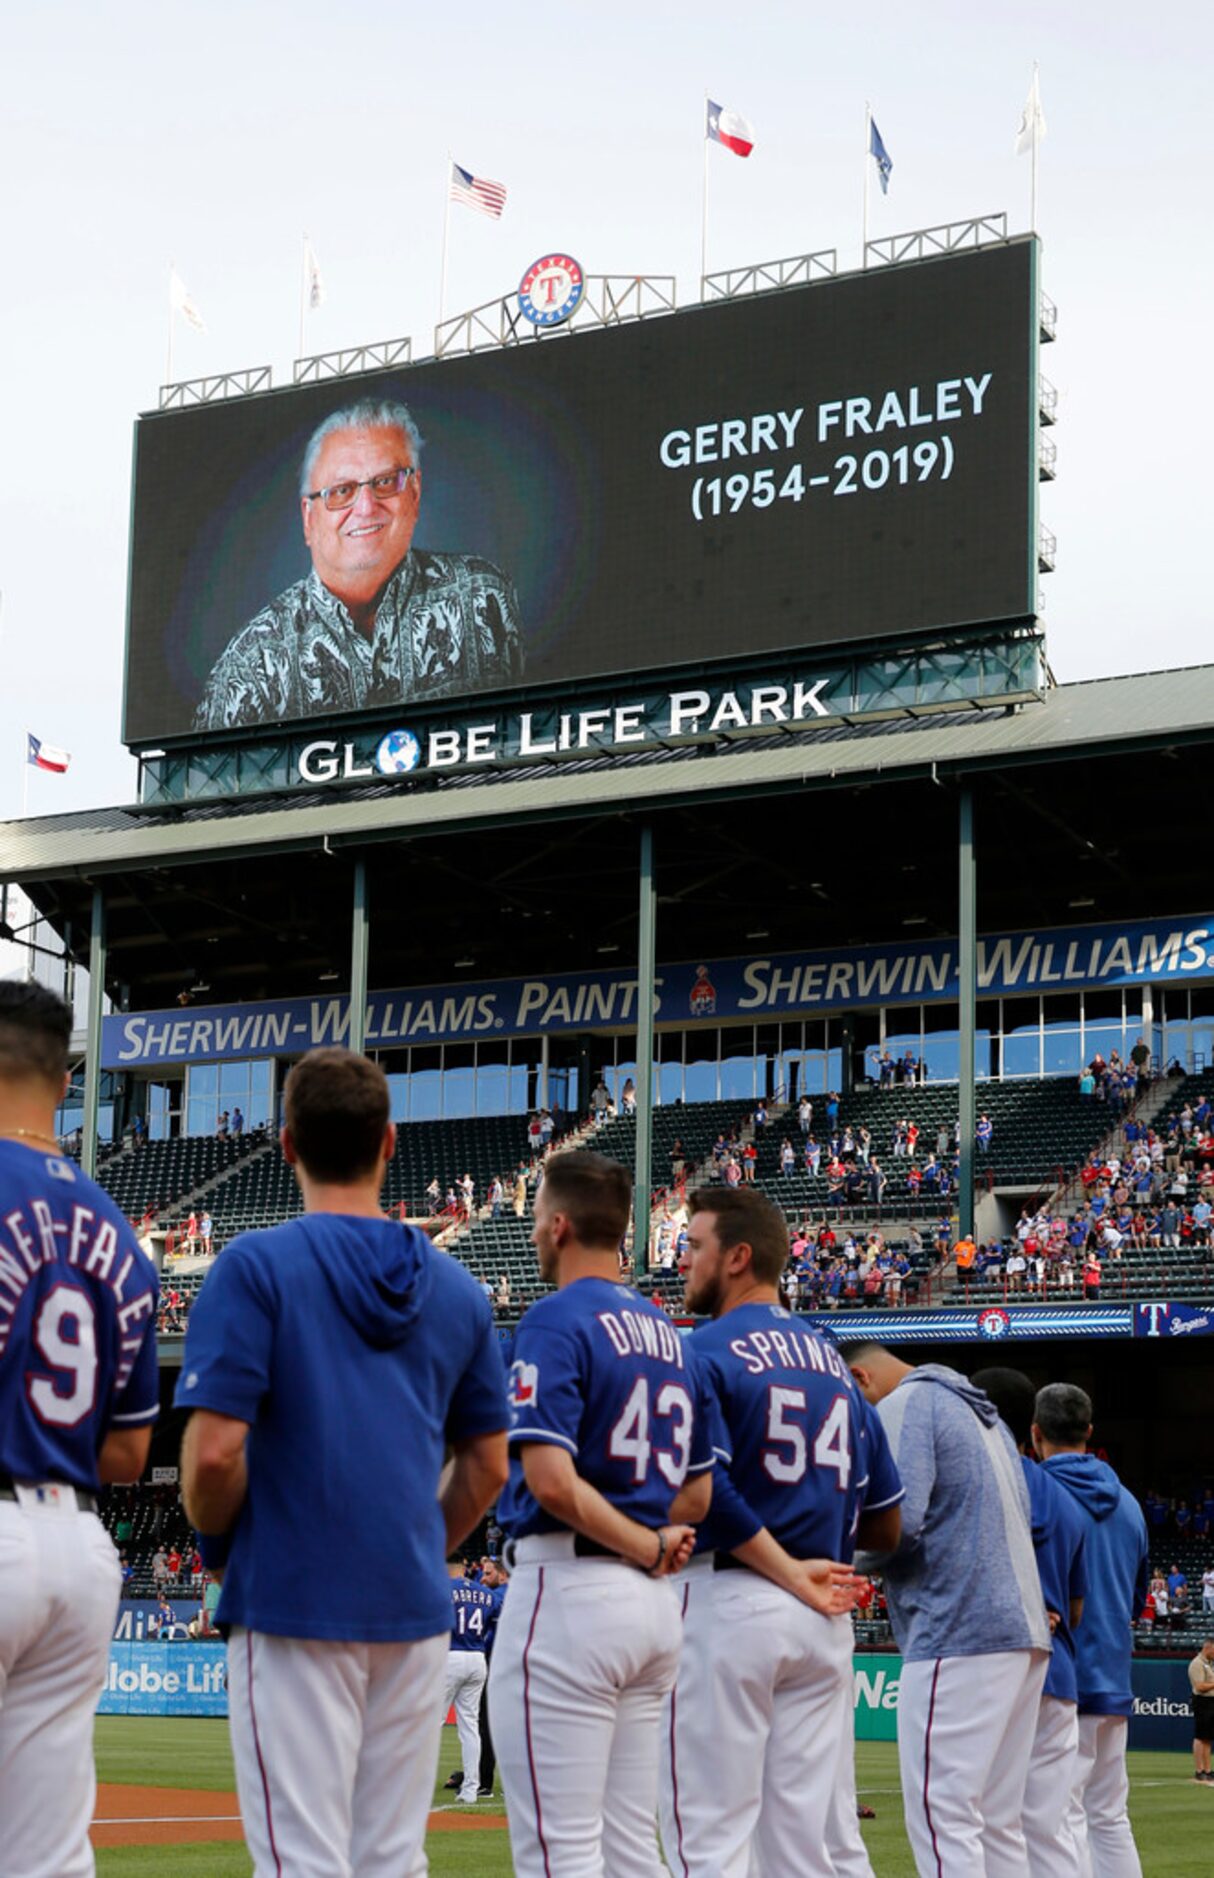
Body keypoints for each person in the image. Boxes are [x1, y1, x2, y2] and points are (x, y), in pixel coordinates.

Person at [177, 1046, 509, 1876]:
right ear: (389, 1142)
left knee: (301, 1862)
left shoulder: (253, 1267)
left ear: (286, 1145)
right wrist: (410, 1546)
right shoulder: (461, 1291)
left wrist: (218, 1541)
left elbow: (214, 1458)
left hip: (291, 1600)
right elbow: (489, 1468)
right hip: (411, 1610)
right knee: (391, 1860)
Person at [661, 1187, 901, 1878]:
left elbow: (704, 1493)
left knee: (706, 1840)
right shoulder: (836, 1365)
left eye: (695, 1247)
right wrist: (813, 1556)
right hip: (822, 1620)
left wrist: (784, 1565)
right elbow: (887, 1520)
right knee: (800, 1852)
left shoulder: (703, 1347)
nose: (685, 1262)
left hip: (731, 1600)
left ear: (737, 1257)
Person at [487, 1149, 712, 1878]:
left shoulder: (554, 1319)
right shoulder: (670, 1336)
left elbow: (549, 1480)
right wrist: (646, 1540)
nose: (529, 1236)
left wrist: (641, 1543)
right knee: (629, 1852)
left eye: (534, 1221)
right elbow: (697, 1496)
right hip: (650, 1610)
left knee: (561, 1855)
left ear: (558, 1227)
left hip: (571, 1590)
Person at [0, 980, 160, 1877]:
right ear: (65, 1080)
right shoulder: (121, 1233)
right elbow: (133, 1450)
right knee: (48, 1853)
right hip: (79, 1547)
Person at [843, 1341, 1051, 1877]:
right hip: (1019, 1632)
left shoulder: (905, 1404)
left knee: (945, 1820)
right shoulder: (988, 1419)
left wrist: (831, 1561)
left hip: (957, 1632)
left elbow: (898, 1523)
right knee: (1000, 1824)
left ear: (861, 1379)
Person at [193, 396, 524, 730]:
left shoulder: (484, 597)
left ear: (415, 492)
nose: (366, 507)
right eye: (341, 491)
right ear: (309, 518)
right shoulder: (252, 665)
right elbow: (203, 779)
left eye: (384, 482)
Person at [974, 1368, 1088, 1878]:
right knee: (1049, 1824)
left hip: (993, 1659)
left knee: (991, 1822)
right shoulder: (1066, 1499)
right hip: (1058, 1665)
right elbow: (1078, 1607)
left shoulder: (982, 1479)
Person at [1034, 1383, 1149, 1877]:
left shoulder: (1036, 1491)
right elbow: (1138, 1600)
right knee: (1108, 1816)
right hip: (1114, 1676)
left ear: (1035, 1434)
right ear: (1090, 1433)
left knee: (1059, 1819)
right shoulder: (1129, 1504)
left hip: (1058, 1677)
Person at [443, 1556, 497, 1805]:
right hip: (478, 1657)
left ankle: (412, 1789)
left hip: (450, 1654)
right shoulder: (484, 1592)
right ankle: (471, 1789)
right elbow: (495, 1620)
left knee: (431, 1723)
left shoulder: (444, 1588)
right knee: (470, 1727)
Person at [1188, 1637, 1214, 1783]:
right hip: (1202, 1701)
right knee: (1200, 1736)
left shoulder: (1209, 1664)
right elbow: (1199, 1686)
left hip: (1211, 1701)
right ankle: (1199, 1770)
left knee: (1207, 1737)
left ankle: (1208, 1769)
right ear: (1208, 1647)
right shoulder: (1197, 1664)